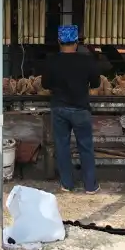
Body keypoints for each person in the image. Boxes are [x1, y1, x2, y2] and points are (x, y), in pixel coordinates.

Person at [42, 25, 101, 194]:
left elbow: (45, 84)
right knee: (85, 147)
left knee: (62, 146)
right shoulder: (87, 60)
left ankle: (67, 184)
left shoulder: (51, 61)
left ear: (59, 41)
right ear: (76, 42)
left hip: (59, 108)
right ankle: (90, 186)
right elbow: (96, 84)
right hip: (81, 109)